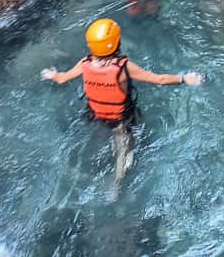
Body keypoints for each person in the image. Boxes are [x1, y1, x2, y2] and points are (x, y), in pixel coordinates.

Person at [40, 18, 203, 189]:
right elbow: (159, 79)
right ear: (116, 43)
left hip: (95, 114)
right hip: (121, 121)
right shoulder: (123, 67)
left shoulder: (85, 63)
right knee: (124, 151)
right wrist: (185, 78)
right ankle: (116, 185)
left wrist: (53, 75)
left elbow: (62, 78)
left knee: (103, 135)